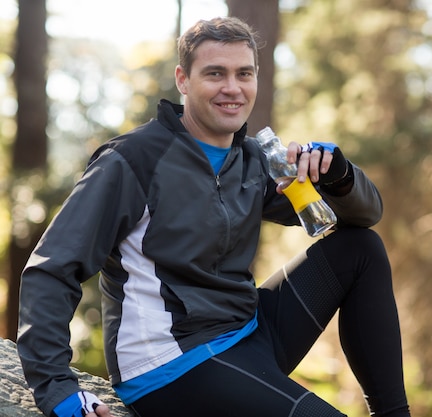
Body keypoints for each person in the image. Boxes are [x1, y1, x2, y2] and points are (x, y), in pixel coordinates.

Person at [17, 16, 411, 417]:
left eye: (244, 74)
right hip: (173, 363)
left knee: (360, 249)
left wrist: (340, 176)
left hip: (248, 334)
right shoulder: (131, 161)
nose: (232, 88)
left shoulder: (253, 161)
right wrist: (59, 394)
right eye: (215, 74)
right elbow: (51, 269)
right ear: (183, 80)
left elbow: (364, 218)